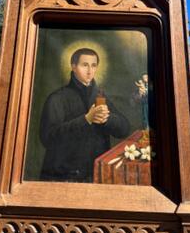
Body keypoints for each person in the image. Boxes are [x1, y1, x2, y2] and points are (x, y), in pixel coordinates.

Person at [40, 48, 130, 183]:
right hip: (65, 175)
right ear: (73, 67)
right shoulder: (57, 98)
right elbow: (48, 138)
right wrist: (86, 120)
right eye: (84, 65)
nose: (89, 71)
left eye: (93, 66)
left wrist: (108, 119)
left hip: (97, 172)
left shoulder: (100, 95)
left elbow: (124, 129)